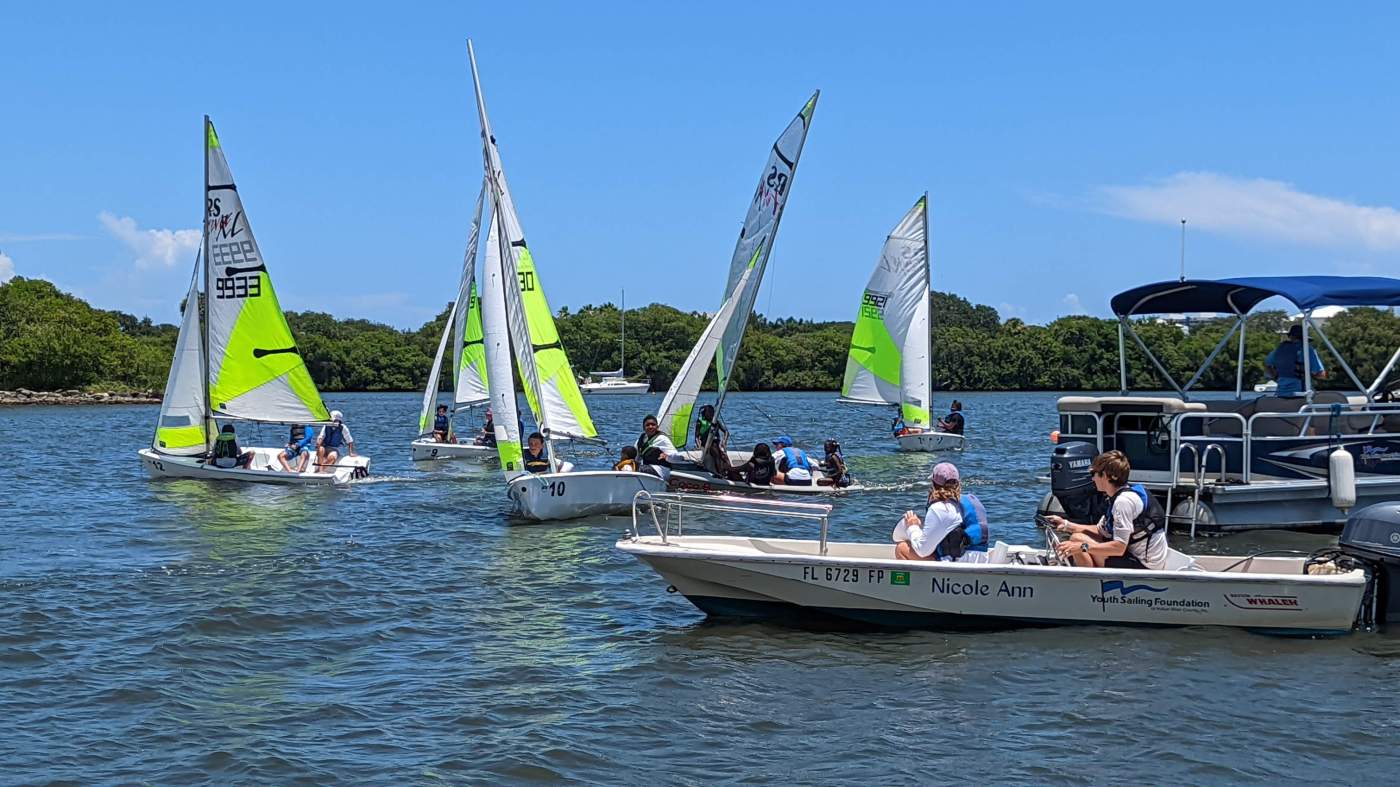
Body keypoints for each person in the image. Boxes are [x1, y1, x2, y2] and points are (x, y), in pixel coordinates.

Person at [1042, 449, 1168, 570]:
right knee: (1077, 538)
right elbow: (1100, 530)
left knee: (1078, 541)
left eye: (1094, 474)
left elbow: (1119, 548)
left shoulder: (1123, 502)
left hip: (1144, 566)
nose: (1092, 479)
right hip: (1133, 556)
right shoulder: (1118, 496)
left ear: (1108, 476)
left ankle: (1089, 586)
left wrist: (1082, 547)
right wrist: (1065, 525)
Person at [891, 462, 989, 562]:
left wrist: (912, 526)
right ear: (958, 483)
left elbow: (922, 550)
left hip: (957, 563)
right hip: (980, 559)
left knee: (902, 548)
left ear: (934, 484)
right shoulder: (972, 501)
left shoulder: (940, 508)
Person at [1265, 324, 1327, 397]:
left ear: (1290, 336)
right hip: (1301, 394)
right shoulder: (1307, 349)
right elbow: (1321, 374)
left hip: (1281, 394)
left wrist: (1276, 377)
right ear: (1304, 337)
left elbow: (1267, 365)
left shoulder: (1279, 350)